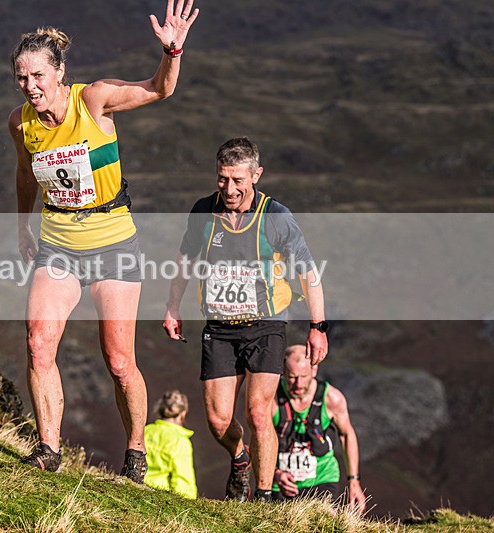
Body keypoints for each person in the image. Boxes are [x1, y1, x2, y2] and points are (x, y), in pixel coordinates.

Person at [8, 0, 200, 483]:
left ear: (59, 73)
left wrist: (172, 52)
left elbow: (160, 89)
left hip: (113, 246)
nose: (30, 86)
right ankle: (49, 448)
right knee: (38, 344)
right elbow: (26, 175)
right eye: (22, 78)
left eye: (38, 75)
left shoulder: (93, 100)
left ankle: (135, 451)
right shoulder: (20, 123)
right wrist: (23, 226)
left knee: (118, 361)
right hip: (58, 246)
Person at [162, 137, 329, 501]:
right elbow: (185, 259)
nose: (229, 189)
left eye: (238, 180)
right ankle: (240, 460)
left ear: (256, 175)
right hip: (220, 328)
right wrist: (173, 307)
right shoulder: (204, 211)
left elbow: (308, 272)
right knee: (218, 420)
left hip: (266, 325)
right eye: (222, 179)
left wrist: (317, 327)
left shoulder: (276, 217)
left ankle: (263, 497)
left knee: (258, 413)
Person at [273, 345, 367, 512]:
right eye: (292, 377)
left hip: (322, 479)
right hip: (279, 482)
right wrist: (275, 473)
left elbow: (347, 435)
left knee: (321, 521)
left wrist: (354, 481)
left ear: (314, 370)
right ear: (283, 373)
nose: (298, 384)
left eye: (303, 376)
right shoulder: (270, 398)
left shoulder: (332, 399)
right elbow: (256, 439)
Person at [144, 390, 198, 499]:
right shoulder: (180, 441)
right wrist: (188, 503)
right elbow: (183, 480)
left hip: (137, 488)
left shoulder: (145, 431)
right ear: (183, 413)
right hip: (160, 497)